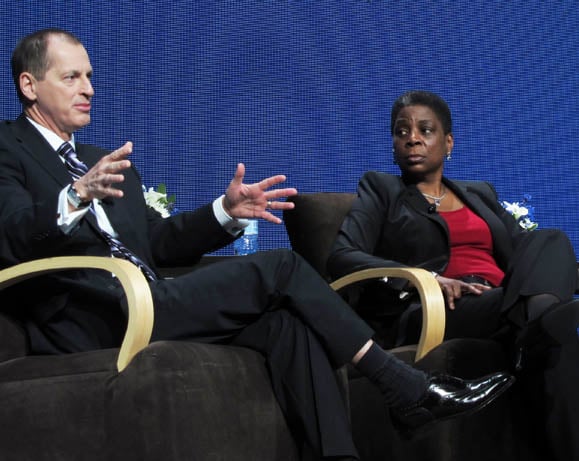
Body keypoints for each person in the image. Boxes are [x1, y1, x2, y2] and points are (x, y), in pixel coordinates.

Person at [0, 31, 513, 460]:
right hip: (90, 311)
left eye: (90, 76)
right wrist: (75, 195)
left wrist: (224, 211)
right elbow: (13, 235)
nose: (88, 88)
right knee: (281, 269)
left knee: (288, 325)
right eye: (72, 77)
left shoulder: (104, 159)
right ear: (29, 84)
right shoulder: (10, 150)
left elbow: (154, 243)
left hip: (149, 295)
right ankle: (404, 387)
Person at [328, 90, 579, 460]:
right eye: (402, 131)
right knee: (560, 328)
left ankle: (535, 328)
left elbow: (528, 252)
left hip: (503, 297)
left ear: (448, 142)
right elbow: (342, 256)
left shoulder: (480, 193)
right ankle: (538, 328)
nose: (412, 138)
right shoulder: (381, 189)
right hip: (439, 305)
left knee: (549, 239)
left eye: (425, 130)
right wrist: (427, 277)